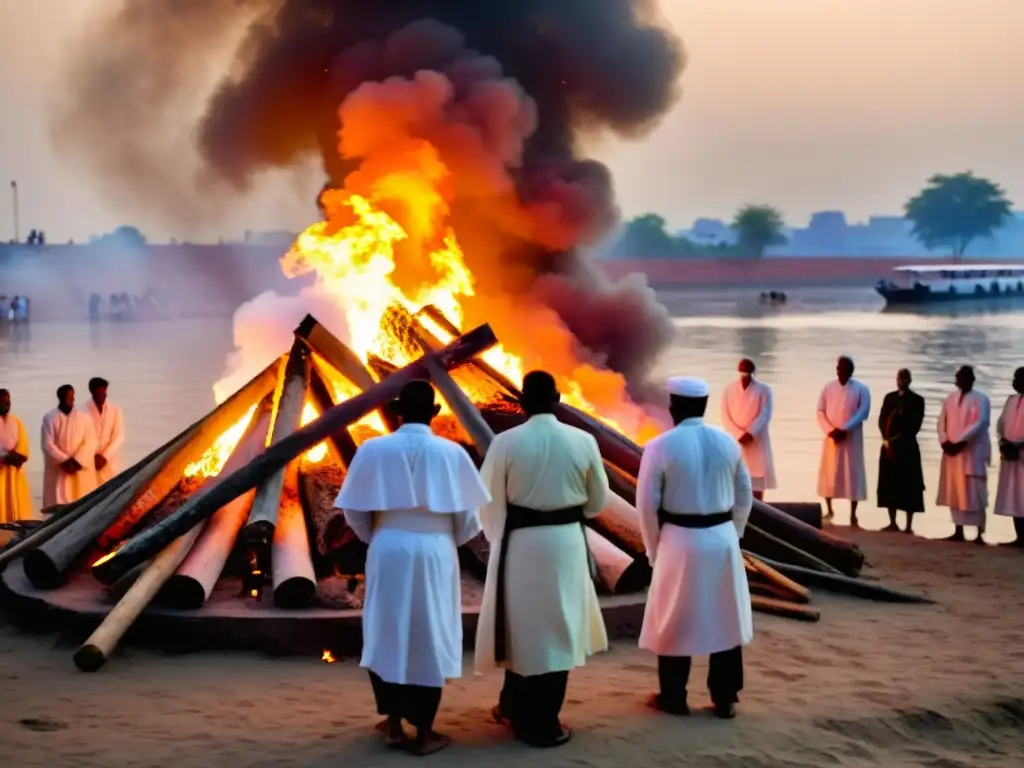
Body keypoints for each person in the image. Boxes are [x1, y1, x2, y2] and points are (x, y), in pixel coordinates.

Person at [334, 380, 490, 756]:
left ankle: (391, 724)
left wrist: (380, 536)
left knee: (385, 627)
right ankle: (423, 732)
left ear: (397, 411)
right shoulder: (452, 454)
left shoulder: (373, 449)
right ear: (435, 413)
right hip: (435, 549)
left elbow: (354, 510)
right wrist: (441, 539)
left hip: (388, 546)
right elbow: (472, 518)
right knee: (429, 630)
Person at [474, 371, 610, 748]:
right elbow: (597, 502)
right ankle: (543, 721)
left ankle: (514, 709)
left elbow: (487, 501)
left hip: (520, 545)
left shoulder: (505, 443)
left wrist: (497, 536)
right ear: (558, 398)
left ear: (520, 403)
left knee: (521, 625)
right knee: (558, 626)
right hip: (565, 542)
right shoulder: (583, 441)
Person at [636, 376, 754, 720]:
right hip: (721, 538)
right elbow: (745, 494)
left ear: (674, 406)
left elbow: (646, 505)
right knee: (726, 617)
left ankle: (673, 697)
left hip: (679, 539)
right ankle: (725, 698)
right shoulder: (728, 442)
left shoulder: (660, 446)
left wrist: (653, 550)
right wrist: (734, 534)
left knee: (675, 616)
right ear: (703, 405)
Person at [937, 365, 991, 544]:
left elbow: (981, 423)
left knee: (975, 492)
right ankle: (958, 530)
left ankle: (979, 533)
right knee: (954, 491)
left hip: (971, 452)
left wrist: (961, 441)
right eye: (958, 377)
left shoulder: (981, 399)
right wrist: (945, 441)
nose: (959, 381)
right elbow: (941, 421)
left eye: (964, 377)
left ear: (972, 380)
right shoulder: (950, 398)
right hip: (952, 453)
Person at [816, 356, 871, 526]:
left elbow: (863, 412)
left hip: (851, 438)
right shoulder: (828, 387)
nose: (840, 371)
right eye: (839, 368)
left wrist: (845, 429)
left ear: (851, 371)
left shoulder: (861, 389)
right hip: (832, 439)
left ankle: (853, 513)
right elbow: (820, 411)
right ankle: (829, 509)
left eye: (844, 368)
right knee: (829, 473)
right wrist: (831, 431)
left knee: (852, 473)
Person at [876, 368, 925, 533]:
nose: (902, 381)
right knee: (889, 483)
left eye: (905, 378)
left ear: (909, 380)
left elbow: (915, 425)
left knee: (909, 485)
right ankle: (892, 522)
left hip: (907, 446)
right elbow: (882, 420)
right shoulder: (890, 398)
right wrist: (886, 439)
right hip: (889, 445)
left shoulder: (917, 400)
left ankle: (909, 525)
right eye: (899, 378)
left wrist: (901, 419)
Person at [720, 358, 776, 500]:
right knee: (736, 479)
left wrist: (750, 433)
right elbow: (725, 416)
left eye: (748, 373)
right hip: (736, 441)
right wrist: (739, 435)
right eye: (743, 373)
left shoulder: (764, 390)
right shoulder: (729, 390)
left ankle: (760, 513)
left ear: (753, 373)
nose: (745, 377)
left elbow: (765, 414)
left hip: (756, 441)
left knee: (757, 483)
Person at [41, 384, 98, 508]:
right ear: (60, 398)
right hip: (60, 469)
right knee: (57, 504)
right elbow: (47, 444)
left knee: (83, 502)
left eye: (73, 397)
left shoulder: (84, 418)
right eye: (68, 397)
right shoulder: (49, 418)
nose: (72, 399)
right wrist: (65, 461)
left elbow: (91, 441)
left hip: (80, 470)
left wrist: (78, 461)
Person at [993, 366, 1024, 547]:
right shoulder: (1011, 400)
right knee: (1013, 496)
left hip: (1021, 455)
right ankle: (1020, 536)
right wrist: (1003, 443)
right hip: (1011, 456)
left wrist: (1019, 446)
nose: (1015, 382)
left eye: (1018, 378)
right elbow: (1000, 425)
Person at [0, 389, 34, 522]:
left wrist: (17, 457)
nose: (7, 404)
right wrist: (5, 456)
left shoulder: (17, 422)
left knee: (17, 510)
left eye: (8, 401)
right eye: (3, 402)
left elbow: (24, 446)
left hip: (15, 474)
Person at [86, 377, 125, 485]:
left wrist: (104, 456)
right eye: (99, 395)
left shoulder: (115, 409)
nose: (102, 397)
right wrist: (91, 457)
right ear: (92, 392)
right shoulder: (82, 410)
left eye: (104, 394)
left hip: (110, 462)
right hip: (90, 462)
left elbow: (119, 436)